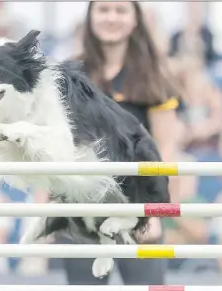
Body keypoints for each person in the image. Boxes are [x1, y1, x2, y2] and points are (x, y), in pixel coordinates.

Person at [63, 1, 182, 285]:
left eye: (120, 10)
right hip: (82, 210)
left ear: (134, 20)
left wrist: (153, 212)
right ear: (91, 16)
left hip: (137, 210)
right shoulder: (67, 74)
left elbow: (165, 149)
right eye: (103, 9)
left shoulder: (156, 76)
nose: (111, 17)